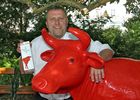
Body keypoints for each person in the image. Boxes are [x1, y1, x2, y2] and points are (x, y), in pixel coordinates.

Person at [17, 5, 114, 100]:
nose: (57, 23)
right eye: (52, 19)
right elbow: (25, 71)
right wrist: (24, 54)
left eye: (61, 18)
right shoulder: (35, 43)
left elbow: (107, 50)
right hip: (42, 97)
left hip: (70, 97)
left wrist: (97, 63)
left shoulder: (78, 41)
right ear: (46, 23)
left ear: (66, 21)